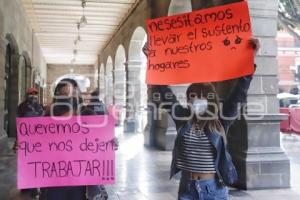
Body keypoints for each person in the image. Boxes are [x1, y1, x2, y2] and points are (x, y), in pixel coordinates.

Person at [145, 39, 260, 199]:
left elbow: (238, 94)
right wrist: (152, 60)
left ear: (210, 99)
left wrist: (250, 59)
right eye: (192, 96)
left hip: (213, 190)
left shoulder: (220, 120)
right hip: (186, 189)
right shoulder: (182, 117)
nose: (196, 99)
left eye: (201, 96)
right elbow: (165, 93)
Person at [16, 87, 43, 199]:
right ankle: (26, 185)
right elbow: (18, 123)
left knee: (34, 163)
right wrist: (18, 140)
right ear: (27, 95)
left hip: (37, 141)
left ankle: (33, 188)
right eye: (31, 94)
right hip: (25, 140)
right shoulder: (21, 106)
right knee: (25, 163)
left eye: (35, 94)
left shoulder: (39, 106)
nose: (33, 96)